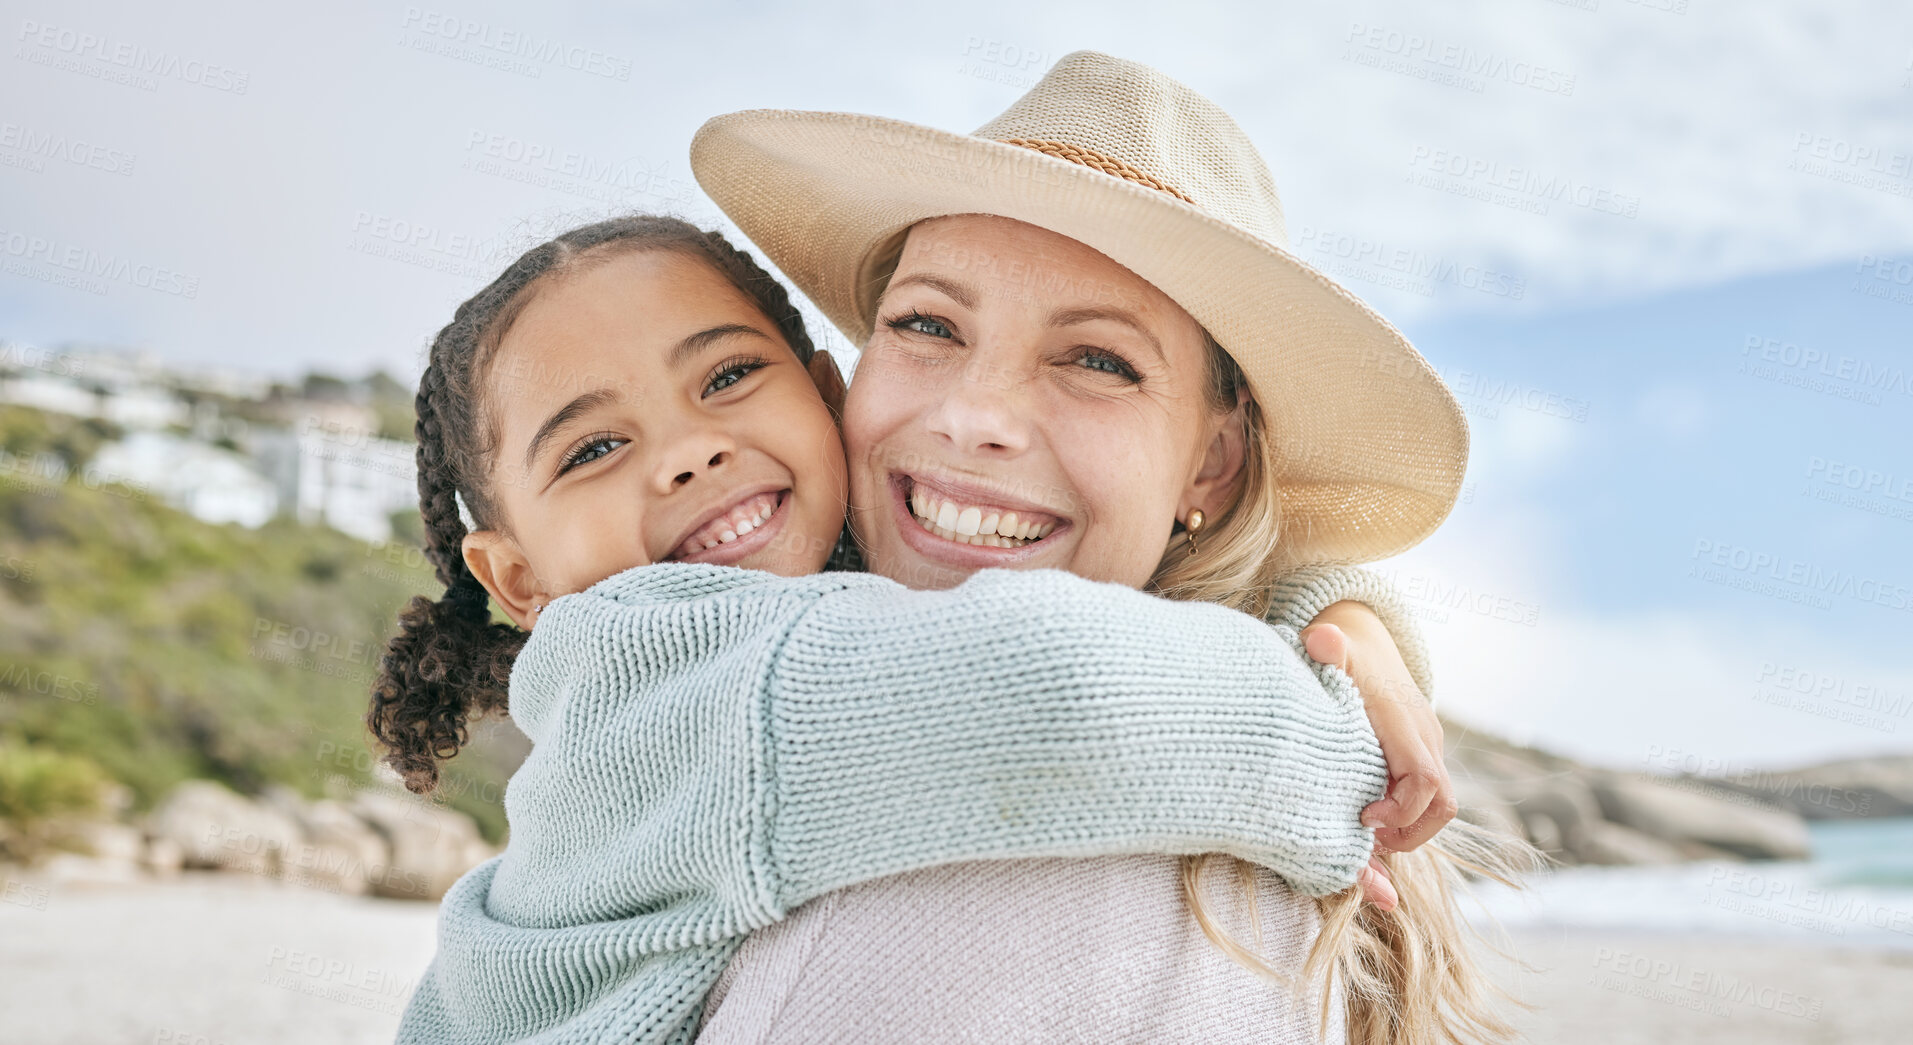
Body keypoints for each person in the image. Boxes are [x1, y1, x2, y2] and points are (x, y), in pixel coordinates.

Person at [368, 213, 1449, 1044]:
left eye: (731, 376)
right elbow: (1048, 695)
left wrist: (1342, 613)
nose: (686, 452)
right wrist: (1340, 758)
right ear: (515, 578)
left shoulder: (825, 625)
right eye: (591, 449)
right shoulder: (669, 659)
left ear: (825, 394)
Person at [686, 51, 1536, 1043]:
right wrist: (1337, 629)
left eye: (1096, 359)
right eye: (927, 323)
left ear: (1210, 465)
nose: (972, 416)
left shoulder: (1077, 887)